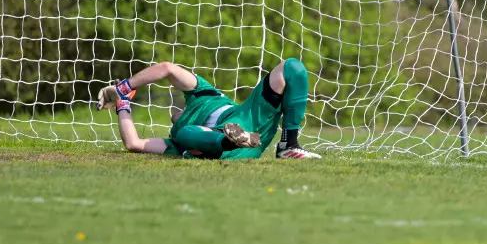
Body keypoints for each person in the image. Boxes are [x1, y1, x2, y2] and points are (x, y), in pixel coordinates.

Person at [95, 59, 320, 160]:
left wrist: (123, 88)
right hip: (225, 149)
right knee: (186, 134)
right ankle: (230, 140)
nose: (174, 114)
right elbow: (134, 143)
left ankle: (288, 145)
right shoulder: (176, 137)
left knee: (292, 67)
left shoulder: (203, 93)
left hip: (248, 118)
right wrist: (122, 105)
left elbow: (167, 69)